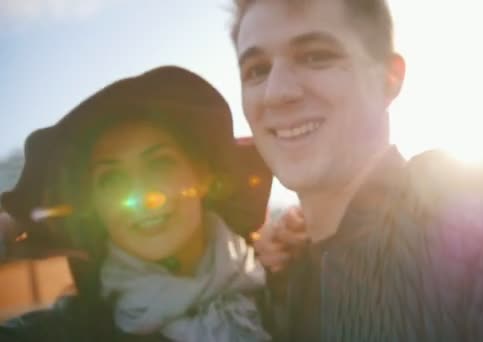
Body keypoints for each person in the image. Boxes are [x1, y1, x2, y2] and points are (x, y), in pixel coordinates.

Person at [231, 0, 483, 341]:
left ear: (390, 78)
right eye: (257, 69)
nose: (276, 92)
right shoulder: (269, 281)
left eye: (316, 56)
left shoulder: (478, 233)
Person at [0, 66, 279, 341]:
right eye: (112, 179)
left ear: (202, 175)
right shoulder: (64, 332)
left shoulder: (287, 291)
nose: (142, 198)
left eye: (160, 163)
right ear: (95, 205)